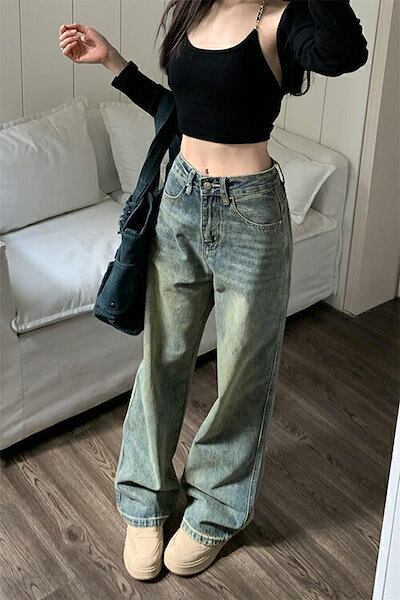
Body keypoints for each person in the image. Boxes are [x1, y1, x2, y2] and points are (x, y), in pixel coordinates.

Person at [59, 0, 368, 580]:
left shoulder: (280, 20)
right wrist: (113, 62)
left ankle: (214, 511)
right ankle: (145, 501)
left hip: (250, 215)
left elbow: (345, 52)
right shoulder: (192, 9)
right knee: (161, 359)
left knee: (244, 373)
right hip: (180, 201)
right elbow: (180, 111)